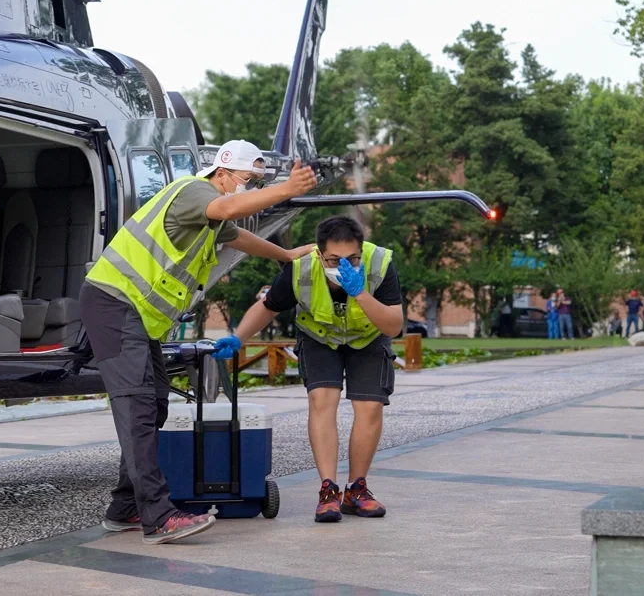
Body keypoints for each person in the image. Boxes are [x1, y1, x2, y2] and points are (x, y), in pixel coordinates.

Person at [81, 139, 317, 545]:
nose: (250, 189)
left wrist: (287, 255)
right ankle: (157, 517)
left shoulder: (210, 214)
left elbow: (236, 236)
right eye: (249, 181)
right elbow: (227, 211)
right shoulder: (195, 191)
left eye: (257, 182)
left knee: (153, 405)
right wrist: (285, 190)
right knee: (137, 408)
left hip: (133, 314)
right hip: (114, 303)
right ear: (222, 172)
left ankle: (125, 508)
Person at [221, 216, 403, 524]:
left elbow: (394, 325)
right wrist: (237, 338)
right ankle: (328, 490)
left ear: (362, 251)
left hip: (369, 337)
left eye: (352, 258)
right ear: (319, 253)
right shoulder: (301, 267)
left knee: (370, 406)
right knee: (322, 400)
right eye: (334, 259)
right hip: (319, 337)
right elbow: (268, 307)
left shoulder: (380, 264)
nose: (343, 265)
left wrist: (360, 292)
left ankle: (356, 490)